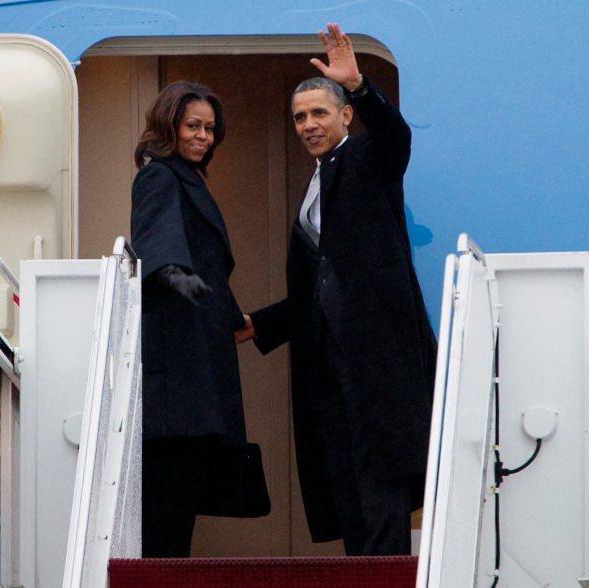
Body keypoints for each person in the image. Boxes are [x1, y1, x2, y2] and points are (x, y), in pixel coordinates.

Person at [236, 24, 436, 556]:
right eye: (300, 117)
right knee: (343, 474)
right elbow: (323, 273)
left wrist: (360, 85)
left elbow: (397, 138)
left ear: (345, 116)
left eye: (319, 113)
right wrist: (265, 324)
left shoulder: (369, 160)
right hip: (326, 358)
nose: (308, 125)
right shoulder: (315, 182)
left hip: (373, 356)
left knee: (378, 474)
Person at [131, 80, 257, 558]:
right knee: (169, 501)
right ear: (169, 126)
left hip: (198, 355)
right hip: (177, 369)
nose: (203, 136)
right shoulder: (159, 174)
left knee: (180, 496)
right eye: (192, 126)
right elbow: (154, 240)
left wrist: (231, 314)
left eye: (209, 128)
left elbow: (206, 266)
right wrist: (172, 273)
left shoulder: (187, 178)